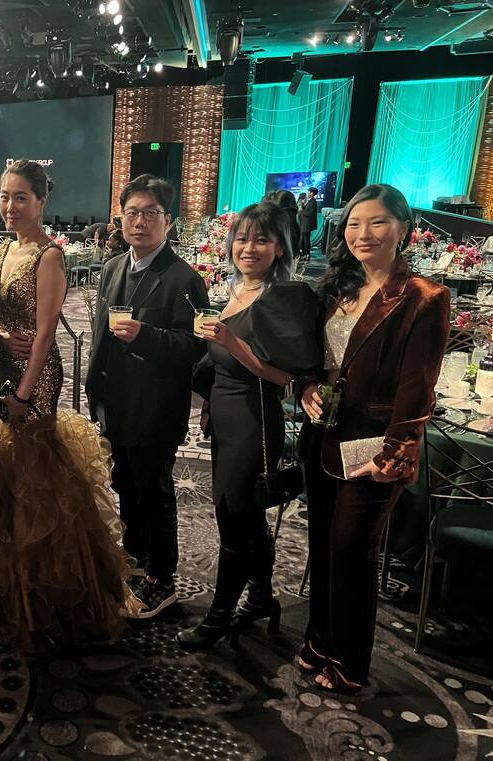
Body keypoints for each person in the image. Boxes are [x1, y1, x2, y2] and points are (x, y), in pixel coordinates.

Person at [0, 160, 138, 650]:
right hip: (3, 367)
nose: (10, 206)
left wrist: (23, 393)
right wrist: (0, 336)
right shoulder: (2, 250)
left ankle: (47, 593)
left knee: (36, 474)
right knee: (4, 472)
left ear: (41, 201)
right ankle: (2, 583)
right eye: (5, 196)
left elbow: (44, 334)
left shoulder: (50, 256)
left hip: (35, 380)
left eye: (21, 197)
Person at [298, 184, 450, 694]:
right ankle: (319, 640)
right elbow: (313, 359)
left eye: (377, 222)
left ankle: (349, 662)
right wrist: (306, 387)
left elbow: (417, 388)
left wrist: (393, 454)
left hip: (374, 445)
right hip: (324, 435)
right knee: (323, 544)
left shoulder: (423, 297)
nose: (363, 233)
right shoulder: (336, 288)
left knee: (352, 551)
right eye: (354, 223)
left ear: (403, 229)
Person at [177, 202, 320, 650]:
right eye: (242, 238)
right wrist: (207, 405)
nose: (249, 248)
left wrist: (231, 342)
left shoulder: (286, 297)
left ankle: (218, 617)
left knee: (233, 517)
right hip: (224, 416)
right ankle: (260, 596)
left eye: (262, 239)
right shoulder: (236, 290)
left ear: (280, 247)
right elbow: (219, 364)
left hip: (255, 419)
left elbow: (284, 378)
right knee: (246, 514)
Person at [85, 174, 209, 619]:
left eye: (150, 213)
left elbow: (195, 346)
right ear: (121, 219)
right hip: (115, 402)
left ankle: (162, 577)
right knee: (125, 484)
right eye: (132, 213)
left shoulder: (183, 278)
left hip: (155, 407)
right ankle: (136, 560)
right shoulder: (114, 267)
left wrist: (144, 335)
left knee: (154, 491)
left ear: (167, 221)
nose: (139, 222)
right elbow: (100, 335)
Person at [298, 186, 319, 258]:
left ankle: (307, 254)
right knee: (303, 239)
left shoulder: (313, 202)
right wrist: (302, 205)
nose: (307, 193)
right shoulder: (309, 200)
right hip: (304, 223)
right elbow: (306, 209)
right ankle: (303, 253)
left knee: (306, 239)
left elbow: (310, 213)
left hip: (307, 224)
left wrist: (302, 212)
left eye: (309, 192)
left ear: (312, 193)